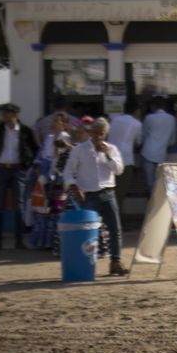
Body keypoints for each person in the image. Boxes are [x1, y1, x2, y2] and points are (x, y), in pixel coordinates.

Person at [64, 116, 128, 276]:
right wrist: (74, 188)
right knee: (86, 230)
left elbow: (119, 170)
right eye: (97, 133)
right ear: (91, 132)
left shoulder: (111, 149)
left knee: (115, 229)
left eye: (102, 133)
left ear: (106, 134)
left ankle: (115, 261)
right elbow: (68, 172)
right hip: (88, 195)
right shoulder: (79, 150)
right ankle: (84, 263)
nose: (99, 137)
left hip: (108, 193)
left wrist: (107, 156)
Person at [0, 103, 38, 250]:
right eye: (4, 113)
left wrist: (27, 166)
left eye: (8, 113)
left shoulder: (25, 131)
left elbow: (34, 150)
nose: (5, 116)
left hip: (18, 170)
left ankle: (19, 241)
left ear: (15, 115)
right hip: (0, 169)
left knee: (19, 206)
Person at [27, 112, 71, 250]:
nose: (54, 124)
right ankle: (43, 241)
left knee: (57, 208)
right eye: (54, 121)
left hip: (59, 179)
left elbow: (65, 159)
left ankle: (55, 242)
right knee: (43, 209)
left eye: (58, 121)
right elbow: (40, 157)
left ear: (64, 124)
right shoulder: (49, 138)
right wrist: (39, 174)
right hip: (45, 178)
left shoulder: (66, 139)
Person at [140, 98, 176, 194]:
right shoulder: (171, 119)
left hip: (147, 153)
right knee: (160, 183)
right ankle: (157, 202)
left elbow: (143, 136)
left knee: (150, 184)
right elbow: (172, 141)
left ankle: (151, 202)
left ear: (153, 106)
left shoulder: (149, 118)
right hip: (161, 154)